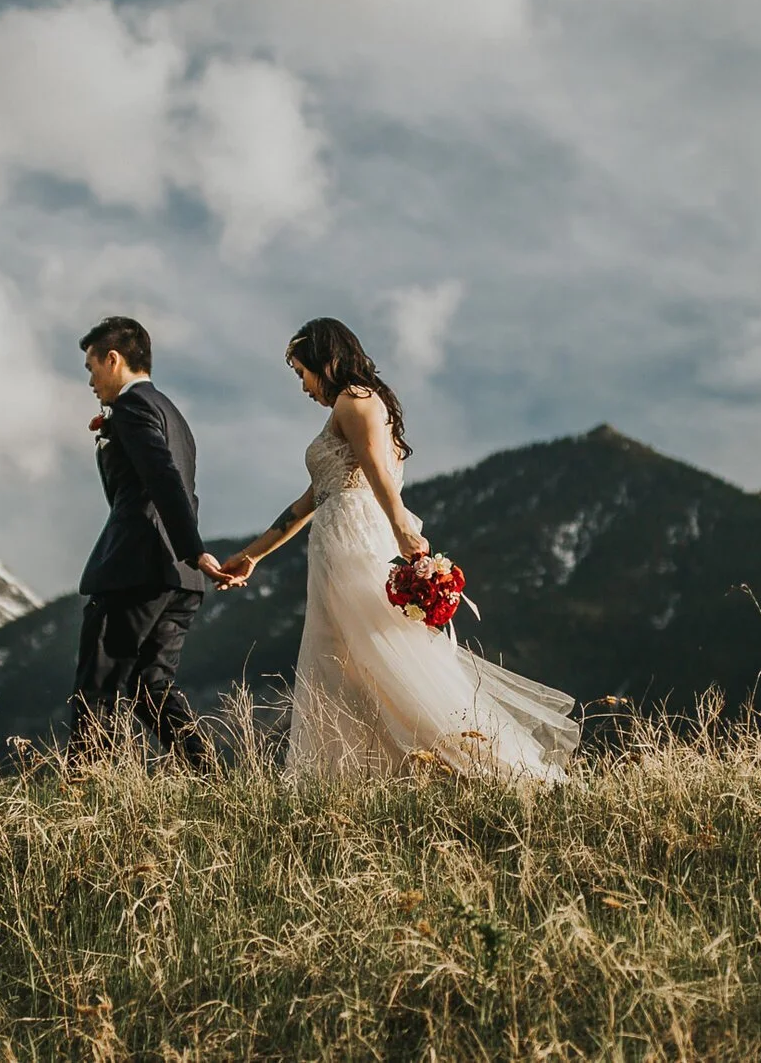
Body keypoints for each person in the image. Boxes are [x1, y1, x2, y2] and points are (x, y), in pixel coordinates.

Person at [216, 317, 578, 781]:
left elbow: (378, 476)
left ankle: (488, 765)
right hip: (335, 538)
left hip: (352, 539)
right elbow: (308, 501)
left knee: (378, 657)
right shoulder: (352, 406)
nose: (303, 387)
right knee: (349, 663)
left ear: (326, 362)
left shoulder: (355, 401)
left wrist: (404, 529)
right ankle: (375, 774)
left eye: (302, 373)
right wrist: (253, 555)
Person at [68, 315, 227, 763]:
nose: (91, 380)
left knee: (97, 683)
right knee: (149, 687)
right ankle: (210, 774)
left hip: (137, 569)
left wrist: (194, 550)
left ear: (113, 359)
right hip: (179, 580)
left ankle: (85, 788)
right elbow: (178, 485)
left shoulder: (134, 408)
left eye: (91, 367)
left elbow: (162, 478)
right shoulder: (173, 414)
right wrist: (190, 559)